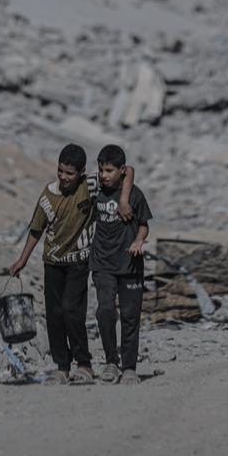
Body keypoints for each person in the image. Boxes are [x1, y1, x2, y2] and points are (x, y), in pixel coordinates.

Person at [9, 144, 133, 385]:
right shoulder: (48, 196)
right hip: (53, 263)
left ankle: (84, 364)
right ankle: (62, 367)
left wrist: (125, 200)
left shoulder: (91, 185)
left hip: (79, 262)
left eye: (70, 174)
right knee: (54, 314)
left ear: (82, 173)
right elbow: (37, 230)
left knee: (71, 310)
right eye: (60, 171)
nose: (64, 178)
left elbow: (128, 170)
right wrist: (22, 259)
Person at [90, 144, 152, 385]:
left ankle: (129, 367)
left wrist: (138, 240)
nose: (104, 175)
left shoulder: (135, 195)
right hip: (103, 263)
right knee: (105, 311)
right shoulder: (95, 190)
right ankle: (110, 362)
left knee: (130, 316)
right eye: (101, 169)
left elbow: (144, 224)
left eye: (109, 170)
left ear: (121, 171)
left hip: (130, 265)